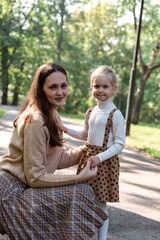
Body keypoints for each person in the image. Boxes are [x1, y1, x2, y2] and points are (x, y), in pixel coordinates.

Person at [0, 63, 108, 240]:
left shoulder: (51, 114)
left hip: (24, 188)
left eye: (63, 86)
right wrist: (78, 177)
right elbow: (35, 177)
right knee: (80, 192)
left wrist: (94, 150)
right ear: (41, 90)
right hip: (10, 194)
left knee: (81, 190)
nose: (60, 92)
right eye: (53, 87)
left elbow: (58, 159)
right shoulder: (35, 120)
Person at [58, 65, 125, 240]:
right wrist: (65, 129)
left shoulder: (115, 114)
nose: (100, 90)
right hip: (88, 160)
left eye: (105, 87)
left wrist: (99, 157)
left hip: (104, 162)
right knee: (83, 198)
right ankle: (81, 234)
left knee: (100, 204)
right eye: (96, 86)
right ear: (91, 87)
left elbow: (119, 144)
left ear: (113, 89)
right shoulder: (91, 111)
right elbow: (84, 135)